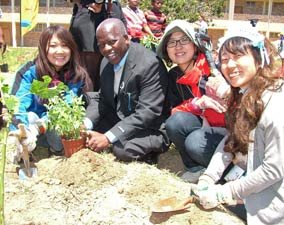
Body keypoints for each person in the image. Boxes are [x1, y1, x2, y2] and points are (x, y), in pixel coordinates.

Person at [192, 26, 284, 224]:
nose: (230, 65)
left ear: (260, 59)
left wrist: (224, 193)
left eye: (238, 56)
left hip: (282, 196)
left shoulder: (277, 103)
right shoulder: (250, 92)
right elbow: (233, 138)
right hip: (256, 170)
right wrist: (208, 177)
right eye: (224, 59)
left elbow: (274, 170)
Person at [84, 18, 169, 164]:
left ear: (126, 38)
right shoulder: (106, 62)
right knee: (88, 133)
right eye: (101, 45)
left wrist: (108, 137)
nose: (106, 49)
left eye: (112, 42)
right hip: (122, 116)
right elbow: (103, 99)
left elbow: (147, 113)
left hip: (150, 125)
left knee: (122, 150)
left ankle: (151, 154)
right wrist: (86, 123)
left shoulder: (149, 64)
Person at [156, 20, 228, 183]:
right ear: (166, 50)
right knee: (175, 122)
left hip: (229, 134)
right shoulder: (173, 76)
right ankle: (195, 167)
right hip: (204, 128)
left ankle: (228, 173)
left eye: (184, 40)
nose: (178, 46)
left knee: (195, 142)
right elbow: (172, 111)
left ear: (195, 46)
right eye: (172, 42)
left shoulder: (215, 70)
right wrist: (198, 103)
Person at [8, 25, 92, 160]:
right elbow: (19, 103)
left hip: (53, 125)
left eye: (65, 46)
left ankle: (48, 145)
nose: (60, 51)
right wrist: (23, 130)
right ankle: (25, 148)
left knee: (58, 141)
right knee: (28, 117)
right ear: (43, 48)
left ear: (71, 49)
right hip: (30, 123)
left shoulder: (76, 75)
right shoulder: (30, 71)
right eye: (53, 46)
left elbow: (67, 107)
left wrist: (39, 127)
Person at [69, 0, 126, 91]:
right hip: (88, 41)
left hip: (111, 48)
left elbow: (122, 24)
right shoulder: (85, 6)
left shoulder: (115, 5)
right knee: (88, 76)